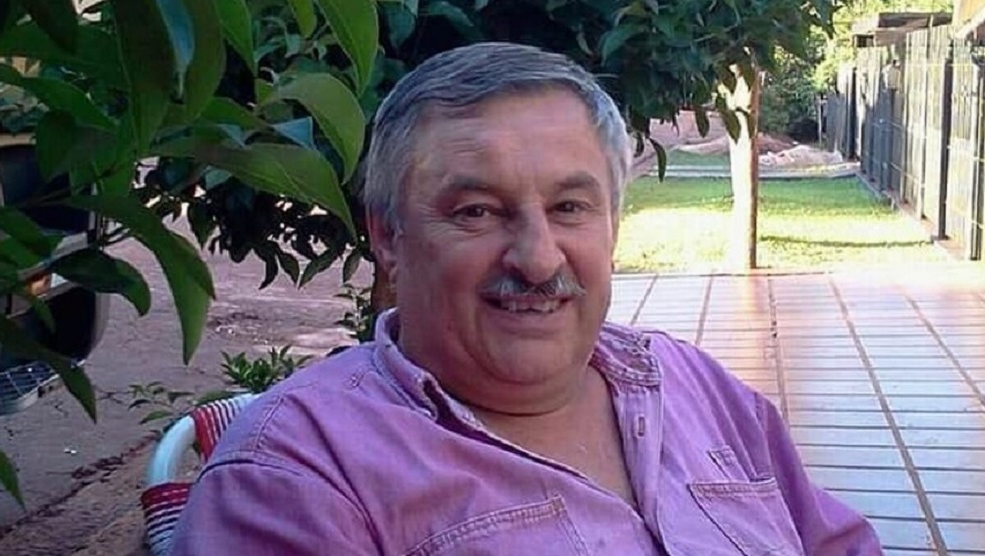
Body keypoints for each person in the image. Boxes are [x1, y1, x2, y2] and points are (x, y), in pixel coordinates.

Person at [170, 42, 882, 555]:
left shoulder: (696, 387)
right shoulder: (297, 479)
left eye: (570, 207)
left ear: (613, 224)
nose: (539, 260)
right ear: (387, 237)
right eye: (477, 211)